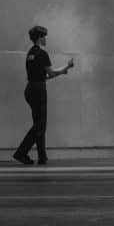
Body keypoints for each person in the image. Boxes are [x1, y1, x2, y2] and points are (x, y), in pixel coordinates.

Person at [13, 26, 74, 165]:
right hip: (39, 91)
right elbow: (50, 74)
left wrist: (64, 70)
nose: (45, 39)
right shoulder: (42, 54)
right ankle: (21, 153)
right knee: (40, 126)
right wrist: (66, 68)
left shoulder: (30, 54)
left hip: (30, 89)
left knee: (38, 124)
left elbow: (43, 76)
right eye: (44, 37)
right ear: (40, 38)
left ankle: (42, 157)